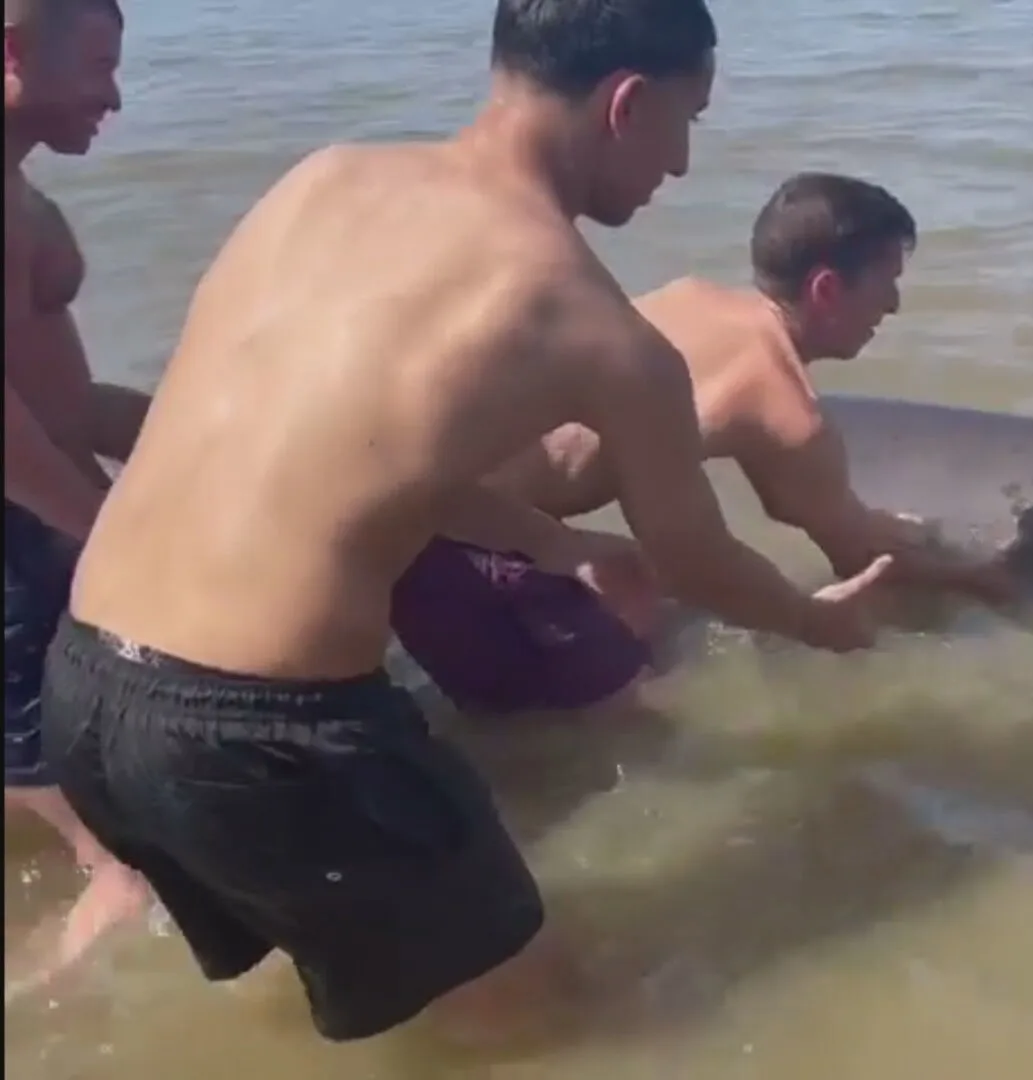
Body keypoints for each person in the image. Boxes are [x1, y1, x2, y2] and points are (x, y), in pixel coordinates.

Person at [38, 0, 895, 1048]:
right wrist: (821, 621)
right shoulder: (589, 322)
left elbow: (328, 446)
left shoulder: (324, 181)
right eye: (690, 121)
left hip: (85, 686)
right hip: (266, 736)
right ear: (626, 104)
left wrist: (555, 540)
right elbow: (696, 557)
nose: (680, 163)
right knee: (557, 1025)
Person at [391, 172, 1016, 718]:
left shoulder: (690, 297)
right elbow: (859, 558)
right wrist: (982, 578)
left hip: (408, 503)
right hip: (460, 541)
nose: (896, 305)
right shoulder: (785, 407)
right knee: (634, 728)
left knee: (660, 628)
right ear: (827, 288)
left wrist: (876, 525)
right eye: (888, 283)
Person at [3, 0, 154, 994]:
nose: (113, 94)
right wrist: (99, 531)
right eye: (97, 64)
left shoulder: (16, 194)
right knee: (128, 876)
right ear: (12, 51)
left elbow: (59, 396)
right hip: (21, 550)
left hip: (37, 529)